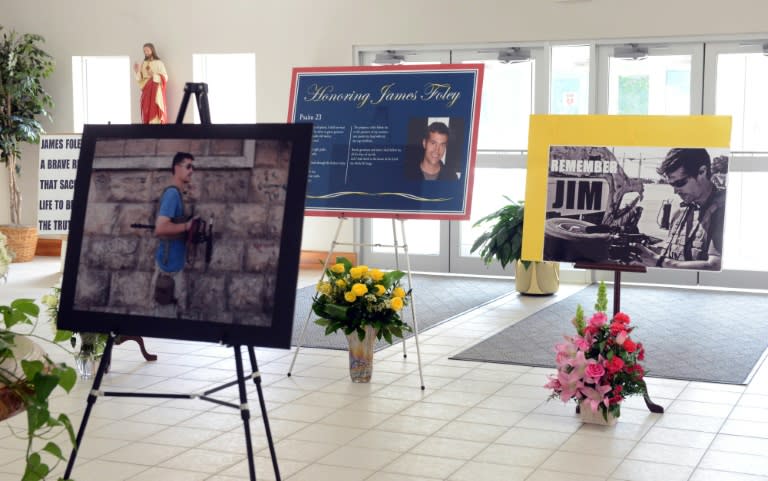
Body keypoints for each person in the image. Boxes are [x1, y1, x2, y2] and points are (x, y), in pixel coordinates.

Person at [633, 148, 726, 270]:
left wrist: (658, 261)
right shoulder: (680, 214)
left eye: (680, 183)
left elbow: (715, 265)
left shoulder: (725, 212)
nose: (675, 191)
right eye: (672, 184)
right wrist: (644, 251)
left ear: (702, 172)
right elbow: (673, 253)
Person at [152, 152, 198, 317]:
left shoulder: (178, 194)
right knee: (165, 316)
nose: (191, 171)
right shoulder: (172, 194)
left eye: (192, 167)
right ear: (176, 168)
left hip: (174, 266)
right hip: (168, 270)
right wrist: (187, 226)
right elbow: (161, 228)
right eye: (188, 166)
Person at [133, 42, 168, 124]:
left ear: (152, 50)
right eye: (144, 51)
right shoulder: (144, 63)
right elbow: (140, 78)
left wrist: (154, 75)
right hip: (147, 89)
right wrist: (137, 71)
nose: (146, 52)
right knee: (146, 107)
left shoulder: (159, 63)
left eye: (147, 50)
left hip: (156, 89)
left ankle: (157, 124)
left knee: (155, 106)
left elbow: (165, 77)